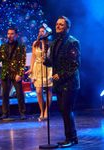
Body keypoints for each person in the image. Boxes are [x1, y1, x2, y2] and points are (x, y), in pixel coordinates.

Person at [44, 16, 81, 148]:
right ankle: (71, 137)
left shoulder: (73, 42)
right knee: (63, 110)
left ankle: (71, 138)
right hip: (59, 84)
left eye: (61, 24)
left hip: (70, 82)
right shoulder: (54, 43)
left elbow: (75, 64)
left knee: (67, 110)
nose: (57, 26)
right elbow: (48, 63)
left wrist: (61, 75)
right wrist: (44, 48)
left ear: (67, 27)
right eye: (57, 24)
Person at [0, 27, 26, 120]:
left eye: (12, 34)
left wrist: (20, 74)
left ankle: (22, 113)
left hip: (16, 73)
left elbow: (22, 61)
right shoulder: (3, 46)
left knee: (19, 94)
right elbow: (0, 60)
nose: (10, 36)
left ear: (16, 35)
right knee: (4, 94)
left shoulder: (21, 46)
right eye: (8, 34)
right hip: (5, 72)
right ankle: (5, 113)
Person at [26, 26, 53, 121]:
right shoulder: (35, 44)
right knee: (38, 91)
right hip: (37, 68)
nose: (41, 32)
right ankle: (41, 111)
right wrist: (31, 68)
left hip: (47, 68)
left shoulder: (49, 44)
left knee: (49, 90)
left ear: (46, 33)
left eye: (43, 31)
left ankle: (46, 111)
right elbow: (33, 57)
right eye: (39, 31)